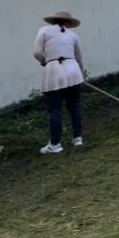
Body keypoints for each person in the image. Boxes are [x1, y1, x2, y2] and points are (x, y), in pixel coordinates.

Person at [33, 11, 85, 154]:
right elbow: (79, 58)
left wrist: (45, 61)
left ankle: (55, 144)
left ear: (54, 21)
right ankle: (77, 138)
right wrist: (80, 74)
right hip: (73, 71)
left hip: (54, 72)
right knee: (74, 106)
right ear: (68, 23)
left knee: (55, 109)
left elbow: (37, 53)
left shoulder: (44, 30)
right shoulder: (73, 35)